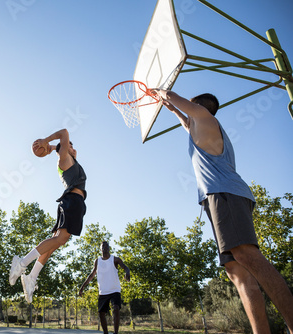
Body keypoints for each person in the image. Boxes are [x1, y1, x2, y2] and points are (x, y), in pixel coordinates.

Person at [155, 89, 293, 334]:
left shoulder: (208, 119)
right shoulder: (200, 130)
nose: (188, 114)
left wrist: (162, 91)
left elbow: (189, 111)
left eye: (190, 108)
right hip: (218, 196)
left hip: (225, 194)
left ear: (200, 108)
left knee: (248, 256)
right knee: (236, 271)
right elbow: (187, 122)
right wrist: (173, 110)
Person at [9, 128, 87, 303]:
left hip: (74, 202)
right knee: (59, 239)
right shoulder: (64, 159)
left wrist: (51, 147)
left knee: (54, 244)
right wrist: (46, 141)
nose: (73, 149)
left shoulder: (70, 161)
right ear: (66, 150)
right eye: (70, 147)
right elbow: (65, 132)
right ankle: (21, 264)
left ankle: (31, 277)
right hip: (72, 201)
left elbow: (62, 146)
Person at [79, 241, 130, 334]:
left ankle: (115, 332)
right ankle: (105, 332)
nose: (105, 247)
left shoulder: (115, 259)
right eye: (103, 246)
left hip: (115, 290)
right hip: (103, 291)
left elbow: (126, 267)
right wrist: (83, 286)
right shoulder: (97, 261)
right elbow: (92, 274)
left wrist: (127, 273)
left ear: (109, 248)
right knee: (101, 313)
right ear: (100, 249)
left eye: (106, 246)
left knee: (115, 308)